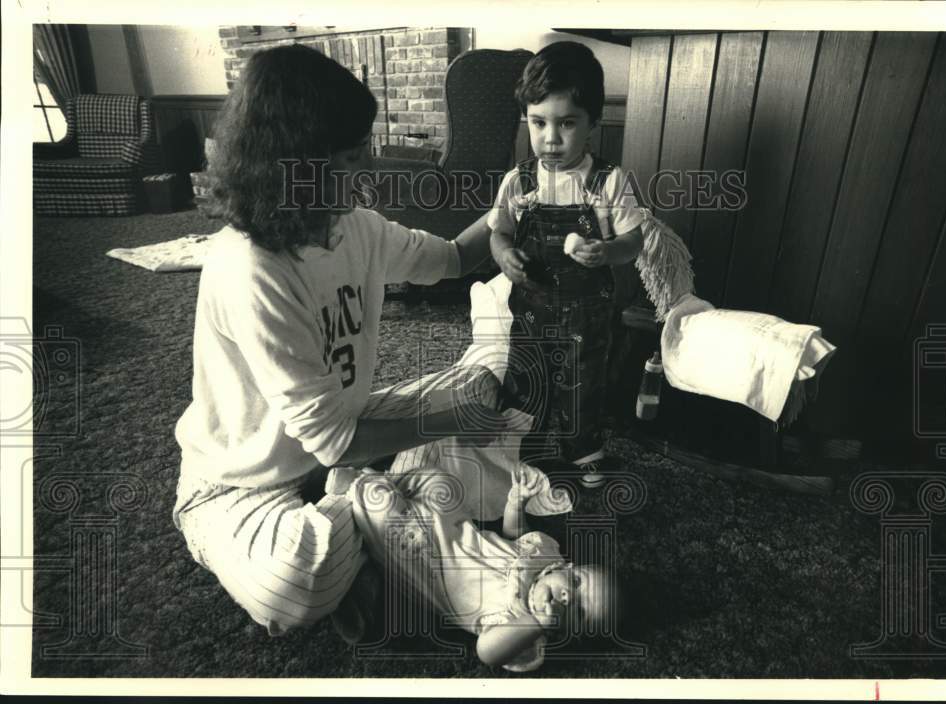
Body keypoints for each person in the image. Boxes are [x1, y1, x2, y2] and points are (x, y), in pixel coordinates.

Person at [171, 44, 505, 640]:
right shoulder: (251, 269)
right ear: (293, 166)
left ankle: (376, 513)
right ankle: (381, 508)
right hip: (243, 484)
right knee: (298, 579)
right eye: (353, 158)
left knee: (479, 383)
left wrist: (510, 206)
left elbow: (455, 259)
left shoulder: (357, 226)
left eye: (366, 151)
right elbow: (329, 441)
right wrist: (446, 423)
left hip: (342, 433)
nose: (370, 172)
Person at [489, 41, 645, 488]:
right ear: (527, 119)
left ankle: (583, 448)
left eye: (567, 123)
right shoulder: (518, 181)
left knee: (583, 382)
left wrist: (607, 251)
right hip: (532, 309)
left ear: (593, 122)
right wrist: (504, 256)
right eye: (539, 123)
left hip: (587, 314)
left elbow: (633, 239)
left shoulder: (608, 181)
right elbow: (498, 231)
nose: (551, 139)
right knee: (525, 377)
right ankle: (527, 442)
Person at [329, 464, 614, 672]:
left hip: (425, 562)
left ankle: (358, 484)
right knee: (440, 481)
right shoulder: (547, 553)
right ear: (569, 567)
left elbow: (487, 652)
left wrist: (536, 623)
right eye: (576, 582)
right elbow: (515, 535)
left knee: (387, 514)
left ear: (569, 635)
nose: (568, 597)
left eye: (579, 611)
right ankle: (382, 496)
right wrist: (516, 502)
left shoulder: (525, 635)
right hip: (456, 531)